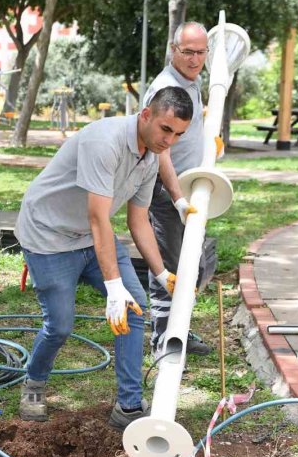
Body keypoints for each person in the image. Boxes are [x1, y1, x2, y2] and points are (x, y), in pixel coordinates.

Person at [14, 86, 193, 430]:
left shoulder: (151, 156)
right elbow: (98, 217)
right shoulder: (104, 142)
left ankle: (127, 406)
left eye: (178, 134)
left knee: (135, 307)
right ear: (146, 115)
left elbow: (137, 219)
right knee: (60, 325)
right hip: (49, 236)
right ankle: (34, 383)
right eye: (165, 129)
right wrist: (114, 288)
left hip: (90, 236)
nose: (169, 141)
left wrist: (160, 274)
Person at [142, 21, 219, 359]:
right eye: (187, 51)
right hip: (166, 190)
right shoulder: (166, 89)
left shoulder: (192, 82)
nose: (194, 58)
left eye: (201, 52)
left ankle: (179, 325)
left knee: (195, 264)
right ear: (173, 50)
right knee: (168, 265)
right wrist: (177, 198)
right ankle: (163, 339)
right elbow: (162, 151)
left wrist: (209, 145)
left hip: (191, 187)